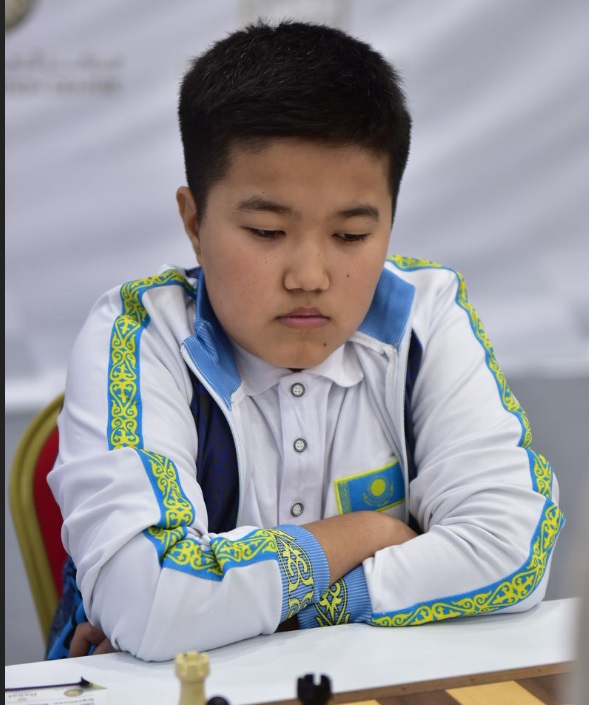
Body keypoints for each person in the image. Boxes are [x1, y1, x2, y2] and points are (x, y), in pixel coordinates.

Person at [46, 19, 564, 663]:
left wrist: (259, 614)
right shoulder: (140, 335)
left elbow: (513, 552)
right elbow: (150, 600)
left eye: (351, 236)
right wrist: (370, 532)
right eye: (267, 232)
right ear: (195, 223)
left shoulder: (424, 314)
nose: (310, 277)